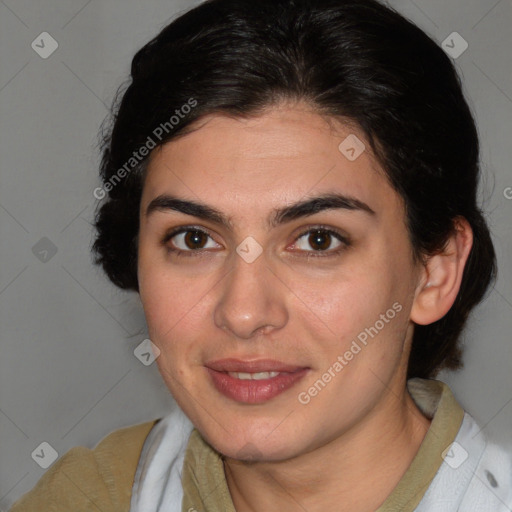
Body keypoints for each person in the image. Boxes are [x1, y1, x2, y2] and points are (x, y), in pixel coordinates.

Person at [10, 0, 512, 511]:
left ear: (434, 272)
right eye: (194, 239)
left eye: (318, 240)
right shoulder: (89, 499)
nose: (244, 312)